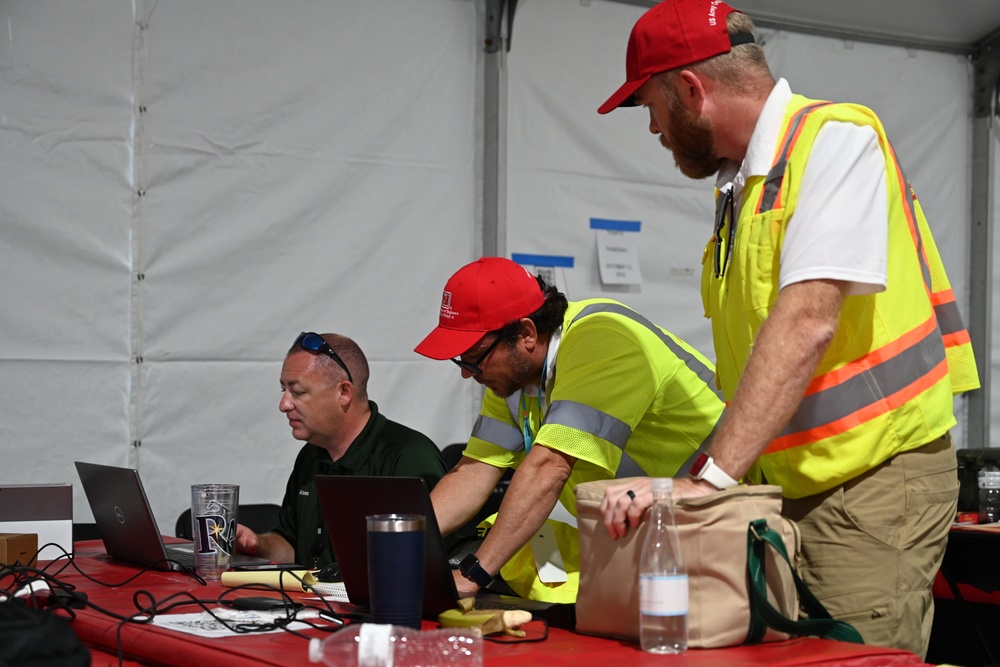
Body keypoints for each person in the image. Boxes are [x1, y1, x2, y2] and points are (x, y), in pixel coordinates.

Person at [596, 0, 979, 657]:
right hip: (795, 492)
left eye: (649, 106)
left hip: (872, 486)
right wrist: (681, 483)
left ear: (691, 89)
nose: (654, 128)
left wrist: (704, 486)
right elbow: (758, 375)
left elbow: (806, 322)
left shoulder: (837, 139)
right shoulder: (743, 190)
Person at [415, 256, 724, 601]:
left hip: (716, 521)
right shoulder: (512, 380)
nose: (466, 372)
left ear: (527, 334)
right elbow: (472, 472)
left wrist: (473, 573)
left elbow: (550, 466)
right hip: (650, 532)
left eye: (474, 356)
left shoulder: (603, 338)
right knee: (529, 552)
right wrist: (397, 545)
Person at [235, 331, 448, 569]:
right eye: (283, 390)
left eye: (298, 392)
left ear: (344, 393)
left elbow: (435, 563)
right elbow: (292, 546)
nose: (284, 404)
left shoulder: (408, 456)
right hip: (311, 605)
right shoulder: (311, 455)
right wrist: (257, 545)